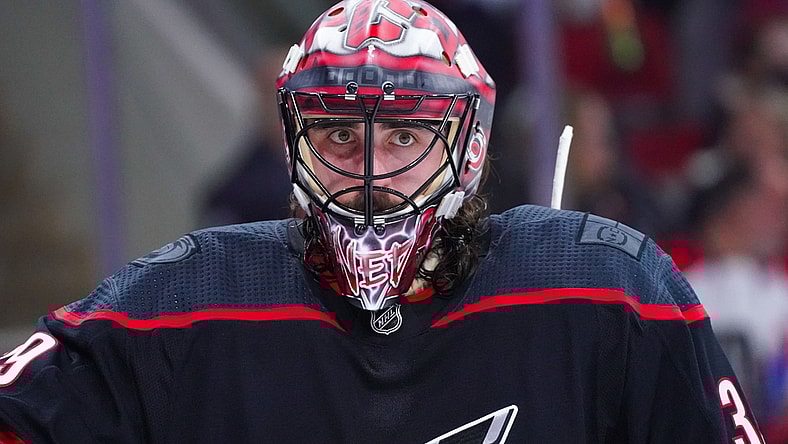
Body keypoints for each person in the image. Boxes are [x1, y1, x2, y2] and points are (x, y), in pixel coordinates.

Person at [0, 1, 765, 442]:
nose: (371, 177)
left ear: (467, 151)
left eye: (404, 136)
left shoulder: (608, 290)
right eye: (339, 135)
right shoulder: (183, 299)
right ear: (294, 146)